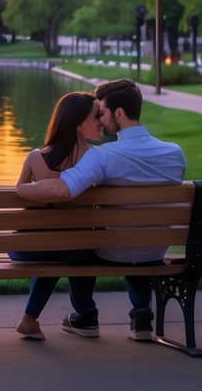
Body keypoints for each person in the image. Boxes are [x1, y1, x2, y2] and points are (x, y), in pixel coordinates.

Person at [16, 78, 186, 342]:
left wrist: (21, 189)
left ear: (119, 113)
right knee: (139, 238)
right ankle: (141, 314)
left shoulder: (103, 156)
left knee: (87, 244)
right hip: (156, 247)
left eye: (103, 113)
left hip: (113, 249)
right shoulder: (174, 153)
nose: (101, 121)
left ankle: (85, 315)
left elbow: (62, 190)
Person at [9, 91, 102, 340]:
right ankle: (86, 313)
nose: (101, 120)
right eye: (96, 115)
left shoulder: (35, 157)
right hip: (78, 249)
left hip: (30, 248)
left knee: (51, 247)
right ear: (78, 121)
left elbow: (19, 195)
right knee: (73, 247)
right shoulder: (95, 159)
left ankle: (30, 318)